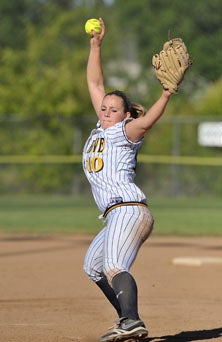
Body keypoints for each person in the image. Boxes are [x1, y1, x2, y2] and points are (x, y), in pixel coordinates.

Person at [83, 18, 172, 342]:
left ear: (125, 115)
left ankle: (131, 321)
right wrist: (96, 46)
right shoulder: (102, 127)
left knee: (114, 264)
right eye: (104, 108)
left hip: (128, 208)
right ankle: (128, 319)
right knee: (93, 267)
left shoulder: (125, 132)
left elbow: (146, 122)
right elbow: (95, 85)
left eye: (112, 109)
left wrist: (165, 95)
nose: (105, 111)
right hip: (114, 215)